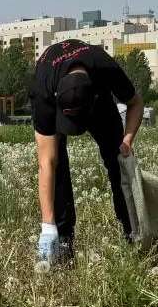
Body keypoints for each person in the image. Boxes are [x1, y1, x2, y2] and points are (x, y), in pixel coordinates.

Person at [30, 38, 144, 264]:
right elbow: (46, 163)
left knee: (117, 160)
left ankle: (132, 232)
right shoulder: (42, 88)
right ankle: (62, 241)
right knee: (57, 165)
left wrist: (127, 141)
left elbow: (135, 103)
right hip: (53, 90)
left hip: (98, 100)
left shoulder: (105, 67)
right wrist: (47, 226)